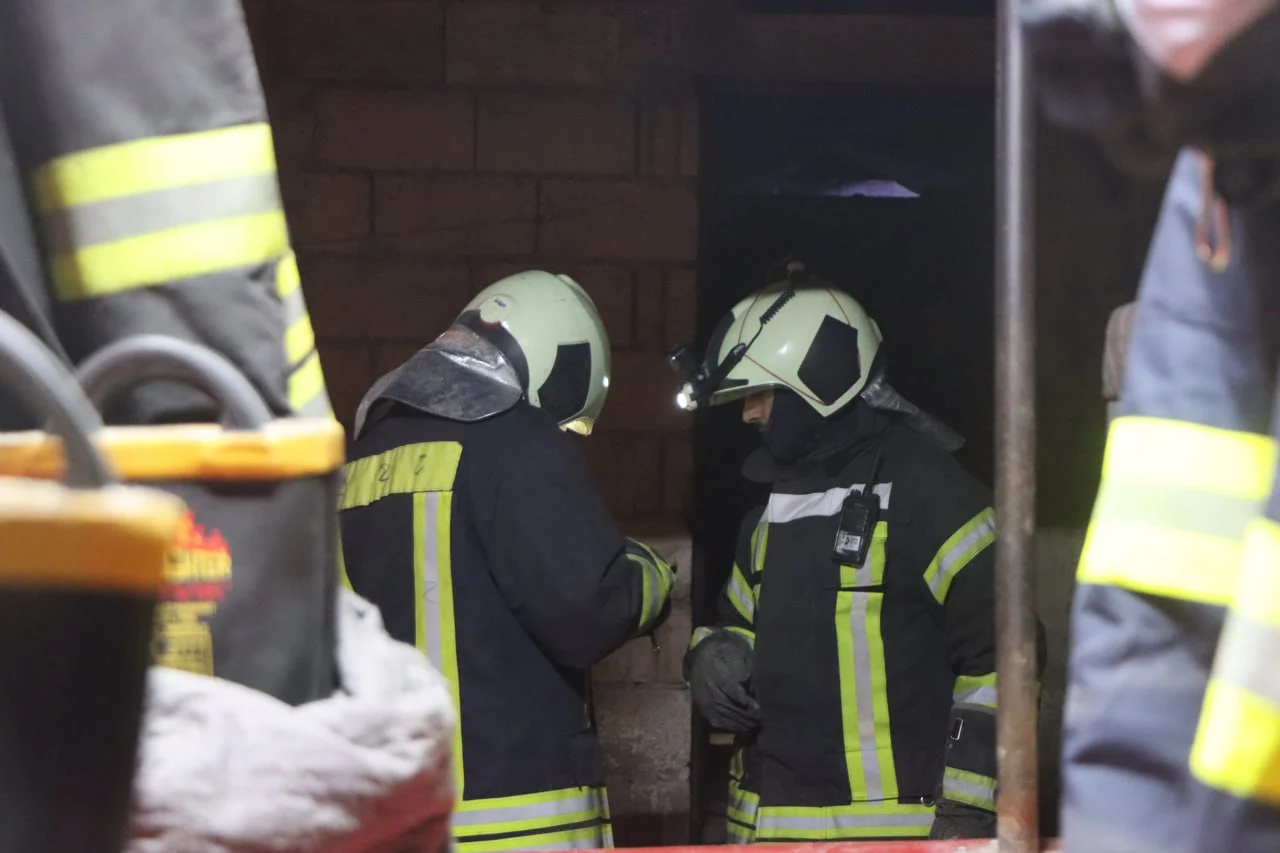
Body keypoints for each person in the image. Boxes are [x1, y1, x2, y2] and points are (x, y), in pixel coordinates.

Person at [678, 262, 1023, 843]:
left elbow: (1005, 662)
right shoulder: (767, 512)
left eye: (760, 394)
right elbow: (737, 626)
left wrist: (967, 812)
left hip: (899, 837)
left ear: (819, 379)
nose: (749, 414)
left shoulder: (930, 494)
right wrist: (711, 655)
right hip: (774, 832)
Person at [340, 270, 676, 852]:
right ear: (548, 355)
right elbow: (586, 609)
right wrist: (650, 575)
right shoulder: (519, 441)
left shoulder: (359, 462)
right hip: (515, 822)